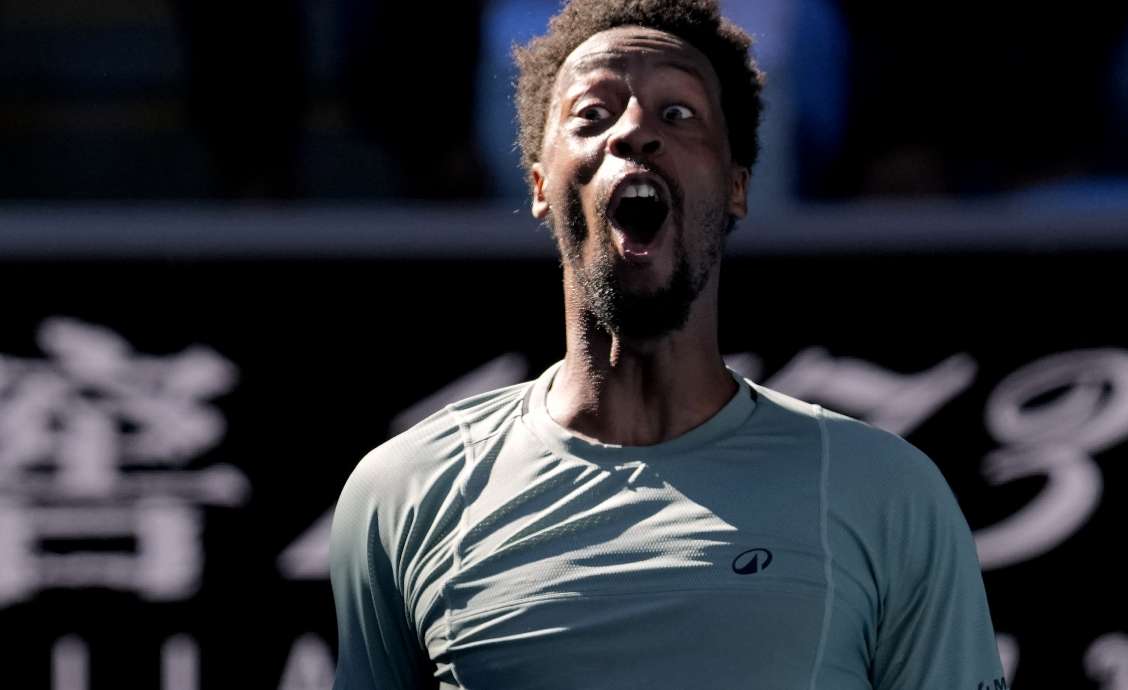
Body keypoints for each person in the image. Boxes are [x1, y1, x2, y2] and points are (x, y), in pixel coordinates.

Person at [329, 0, 1007, 687]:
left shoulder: (888, 492)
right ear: (538, 184)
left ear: (736, 185)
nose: (633, 131)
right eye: (593, 114)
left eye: (678, 113)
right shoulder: (405, 490)